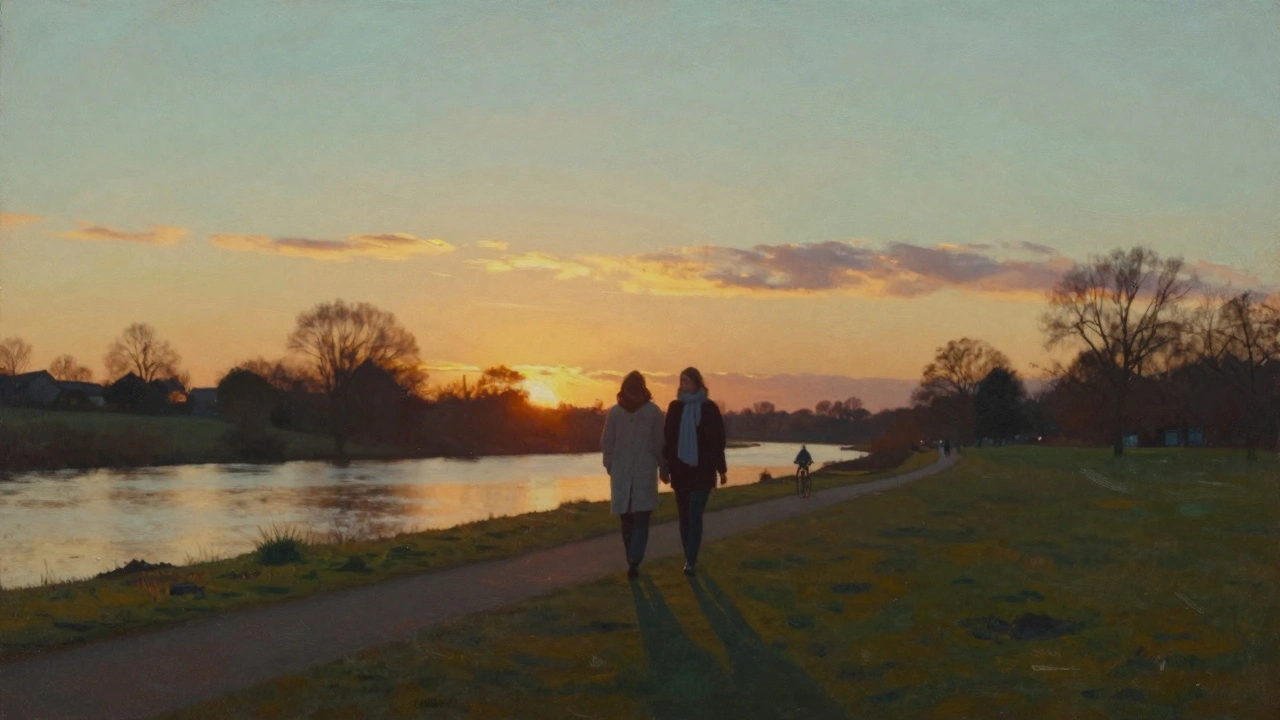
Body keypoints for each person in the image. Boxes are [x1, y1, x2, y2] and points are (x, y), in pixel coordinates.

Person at [602, 371, 667, 580]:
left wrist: (611, 465)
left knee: (627, 520)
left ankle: (631, 556)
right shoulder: (653, 412)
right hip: (642, 473)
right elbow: (660, 444)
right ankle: (635, 559)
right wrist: (664, 468)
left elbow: (606, 444)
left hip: (623, 473)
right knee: (641, 520)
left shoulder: (614, 413)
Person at [663, 367, 727, 577]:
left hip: (703, 470)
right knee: (684, 516)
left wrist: (721, 469)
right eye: (682, 381)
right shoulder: (675, 408)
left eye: (688, 381)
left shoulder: (709, 409)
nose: (685, 385)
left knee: (695, 514)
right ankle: (688, 555)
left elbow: (717, 441)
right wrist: (664, 467)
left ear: (698, 383)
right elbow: (668, 440)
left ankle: (691, 559)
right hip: (680, 471)